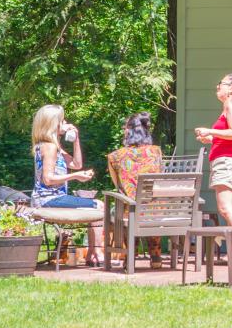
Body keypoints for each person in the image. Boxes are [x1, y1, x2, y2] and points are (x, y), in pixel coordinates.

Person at [193, 72, 232, 267]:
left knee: (225, 208)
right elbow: (229, 136)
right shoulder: (227, 107)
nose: (217, 87)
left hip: (227, 163)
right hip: (228, 160)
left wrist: (210, 130)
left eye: (221, 83)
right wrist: (211, 139)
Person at [29, 104, 104, 265]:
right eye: (62, 121)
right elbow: (48, 179)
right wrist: (76, 176)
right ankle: (95, 253)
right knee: (99, 205)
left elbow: (77, 164)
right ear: (53, 123)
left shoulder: (53, 146)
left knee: (96, 205)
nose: (65, 123)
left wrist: (76, 139)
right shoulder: (49, 147)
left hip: (53, 198)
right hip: (48, 199)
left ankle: (93, 253)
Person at [106, 112, 164, 268]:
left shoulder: (116, 156)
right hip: (156, 210)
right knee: (150, 207)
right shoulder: (156, 151)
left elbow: (117, 184)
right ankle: (156, 256)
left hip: (131, 210)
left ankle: (130, 255)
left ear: (128, 131)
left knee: (127, 206)